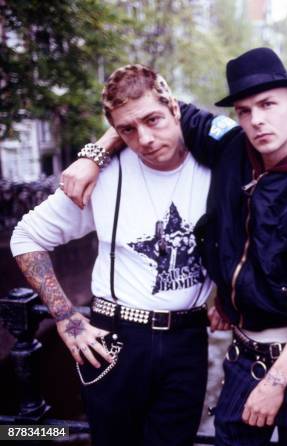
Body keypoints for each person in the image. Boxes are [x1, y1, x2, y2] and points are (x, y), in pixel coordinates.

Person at [63, 47, 287, 446]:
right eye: (243, 110)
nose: (256, 120)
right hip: (243, 352)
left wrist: (275, 384)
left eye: (267, 104)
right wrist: (94, 154)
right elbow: (144, 109)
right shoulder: (230, 146)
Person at [11, 64, 219, 446]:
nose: (145, 139)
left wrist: (226, 292)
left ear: (175, 108)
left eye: (153, 120)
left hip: (188, 337)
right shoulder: (101, 177)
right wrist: (65, 316)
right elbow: (26, 236)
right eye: (127, 130)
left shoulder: (216, 164)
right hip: (116, 338)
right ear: (116, 131)